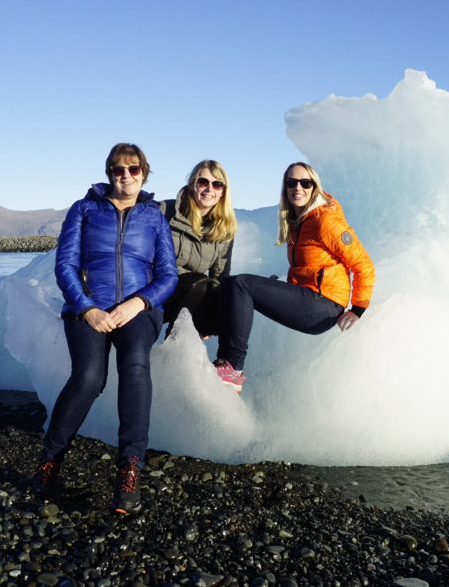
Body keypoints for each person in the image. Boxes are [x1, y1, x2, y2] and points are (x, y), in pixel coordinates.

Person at [32, 143, 178, 514]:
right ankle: (49, 462)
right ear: (108, 172)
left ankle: (129, 469)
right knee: (88, 377)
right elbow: (65, 266)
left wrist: (139, 302)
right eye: (117, 169)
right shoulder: (84, 209)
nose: (125, 176)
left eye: (132, 169)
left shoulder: (154, 216)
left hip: (138, 311)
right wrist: (86, 308)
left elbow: (167, 275)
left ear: (144, 172)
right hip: (89, 310)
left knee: (134, 365)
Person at [215, 162, 375, 391]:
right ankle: (223, 363)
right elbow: (309, 269)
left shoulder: (326, 220)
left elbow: (363, 264)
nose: (297, 187)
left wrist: (358, 308)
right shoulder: (299, 222)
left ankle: (233, 367)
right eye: (291, 182)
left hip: (323, 306)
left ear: (314, 187)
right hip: (309, 298)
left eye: (305, 183)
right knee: (231, 285)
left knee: (242, 284)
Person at [160, 160, 237, 339]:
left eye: (217, 184)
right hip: (158, 289)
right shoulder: (166, 211)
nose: (209, 189)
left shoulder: (224, 229)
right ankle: (172, 346)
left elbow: (220, 276)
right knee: (199, 282)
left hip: (192, 296)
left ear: (223, 191)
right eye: (203, 182)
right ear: (192, 184)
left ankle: (227, 363)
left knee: (230, 303)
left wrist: (211, 313)